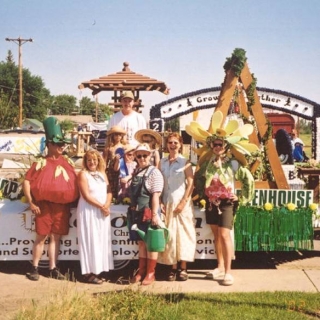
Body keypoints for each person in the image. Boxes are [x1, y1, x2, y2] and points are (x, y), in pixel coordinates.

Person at [23, 117, 79, 281]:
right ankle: (34, 268)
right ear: (49, 145)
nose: (61, 147)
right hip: (44, 206)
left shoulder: (68, 162)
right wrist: (31, 202)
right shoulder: (40, 163)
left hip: (62, 207)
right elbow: (27, 181)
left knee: (56, 237)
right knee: (41, 237)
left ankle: (53, 268)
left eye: (63, 144)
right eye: (57, 144)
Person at [158, 132, 196, 281]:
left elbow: (191, 184)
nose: (172, 145)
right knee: (171, 237)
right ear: (167, 145)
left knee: (183, 236)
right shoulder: (162, 162)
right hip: (167, 204)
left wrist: (183, 202)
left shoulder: (185, 162)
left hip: (182, 205)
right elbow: (158, 183)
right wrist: (160, 201)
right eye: (170, 143)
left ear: (180, 145)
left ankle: (183, 268)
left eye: (175, 142)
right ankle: (172, 268)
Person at [76, 150, 114, 284]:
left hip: (102, 211)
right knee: (89, 239)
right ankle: (87, 273)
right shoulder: (82, 174)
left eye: (94, 160)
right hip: (89, 210)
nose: (92, 162)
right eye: (89, 160)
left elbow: (109, 191)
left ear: (98, 161)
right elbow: (86, 195)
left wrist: (107, 204)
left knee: (100, 240)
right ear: (85, 162)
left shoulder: (102, 173)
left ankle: (97, 270)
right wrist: (101, 206)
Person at [129, 143, 164, 285]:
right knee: (141, 244)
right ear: (136, 157)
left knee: (151, 243)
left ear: (150, 156)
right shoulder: (137, 171)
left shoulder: (154, 172)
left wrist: (155, 215)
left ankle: (151, 273)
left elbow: (156, 195)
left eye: (145, 155)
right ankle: (141, 270)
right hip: (137, 213)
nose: (142, 158)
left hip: (149, 213)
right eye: (139, 155)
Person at [103, 125, 126, 201]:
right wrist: (103, 171)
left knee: (120, 185)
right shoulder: (108, 148)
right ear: (112, 136)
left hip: (121, 169)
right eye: (116, 134)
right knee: (111, 186)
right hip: (111, 170)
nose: (118, 136)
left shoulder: (124, 147)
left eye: (120, 135)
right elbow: (105, 160)